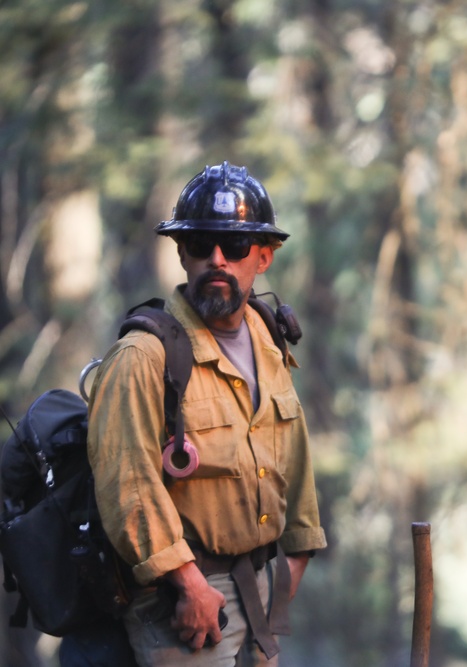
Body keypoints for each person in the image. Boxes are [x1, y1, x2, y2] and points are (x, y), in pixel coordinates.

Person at [85, 162, 327, 666]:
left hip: (260, 592)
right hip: (183, 605)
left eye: (235, 247)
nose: (217, 259)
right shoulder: (143, 356)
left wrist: (297, 556)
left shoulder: (268, 335)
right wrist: (189, 585)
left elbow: (293, 450)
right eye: (200, 245)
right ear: (181, 253)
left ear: (264, 256)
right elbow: (126, 485)